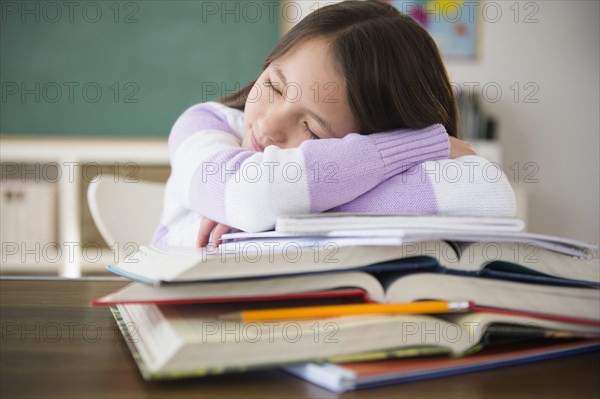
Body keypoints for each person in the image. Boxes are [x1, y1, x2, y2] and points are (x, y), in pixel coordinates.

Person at [152, 0, 515, 248]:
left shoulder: (327, 180)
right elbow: (247, 193)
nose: (270, 123)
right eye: (274, 86)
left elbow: (487, 192)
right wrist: (417, 145)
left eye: (312, 129)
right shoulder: (201, 125)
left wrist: (289, 213)